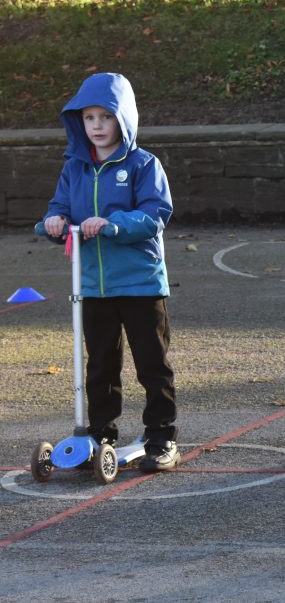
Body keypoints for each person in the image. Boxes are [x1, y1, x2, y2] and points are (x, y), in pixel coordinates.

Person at [42, 72, 179, 473]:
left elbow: (156, 213)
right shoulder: (75, 168)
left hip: (138, 282)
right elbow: (59, 206)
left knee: (151, 362)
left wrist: (113, 224)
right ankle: (100, 434)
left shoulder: (142, 164)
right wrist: (54, 220)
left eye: (106, 116)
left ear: (124, 119)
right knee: (100, 363)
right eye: (89, 118)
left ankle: (161, 436)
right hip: (92, 284)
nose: (98, 126)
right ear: (79, 122)